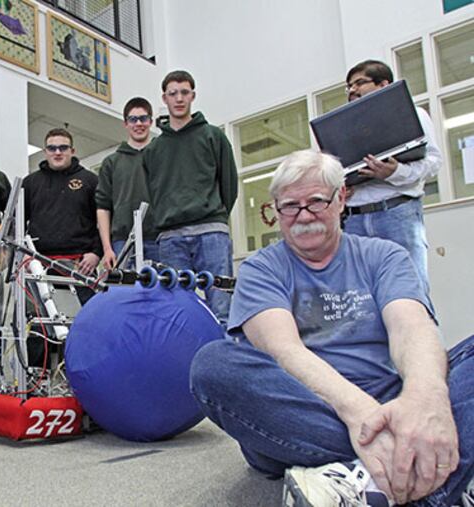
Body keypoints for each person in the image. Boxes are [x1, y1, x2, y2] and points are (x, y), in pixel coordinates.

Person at [190, 150, 474, 506]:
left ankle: (364, 481)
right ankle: (432, 471)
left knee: (442, 376)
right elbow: (285, 351)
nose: (303, 216)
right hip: (303, 407)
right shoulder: (260, 269)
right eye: (290, 206)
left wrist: (423, 402)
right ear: (275, 211)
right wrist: (363, 416)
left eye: (316, 202)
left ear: (342, 198)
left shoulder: (384, 255)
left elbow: (411, 328)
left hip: (391, 395)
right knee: (213, 365)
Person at [142, 70, 238, 321]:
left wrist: (214, 214)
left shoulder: (213, 136)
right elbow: (154, 193)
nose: (179, 98)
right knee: (178, 311)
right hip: (171, 239)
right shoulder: (153, 150)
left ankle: (223, 360)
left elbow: (229, 184)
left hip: (211, 232)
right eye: (173, 93)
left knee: (221, 309)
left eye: (184, 92)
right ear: (164, 98)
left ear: (193, 95)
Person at [342, 59, 442, 289]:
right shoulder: (345, 128)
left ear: (384, 84)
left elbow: (434, 162)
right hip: (354, 220)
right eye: (349, 87)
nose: (352, 90)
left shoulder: (413, 114)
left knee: (409, 288)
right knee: (363, 296)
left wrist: (395, 172)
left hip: (397, 213)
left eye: (359, 83)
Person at [23, 128, 101, 304]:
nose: (57, 152)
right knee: (39, 328)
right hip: (39, 266)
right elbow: (17, 223)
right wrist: (24, 255)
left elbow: (104, 222)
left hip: (81, 266)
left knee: (84, 322)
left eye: (63, 148)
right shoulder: (30, 183)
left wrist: (96, 253)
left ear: (72, 151)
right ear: (45, 152)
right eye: (52, 148)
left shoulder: (90, 181)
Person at [96, 97, 159, 269]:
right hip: (122, 243)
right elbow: (103, 208)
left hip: (159, 241)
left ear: (151, 122)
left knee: (160, 295)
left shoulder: (162, 157)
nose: (138, 124)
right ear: (126, 124)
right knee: (126, 294)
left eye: (143, 118)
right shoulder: (111, 163)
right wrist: (107, 249)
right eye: (133, 119)